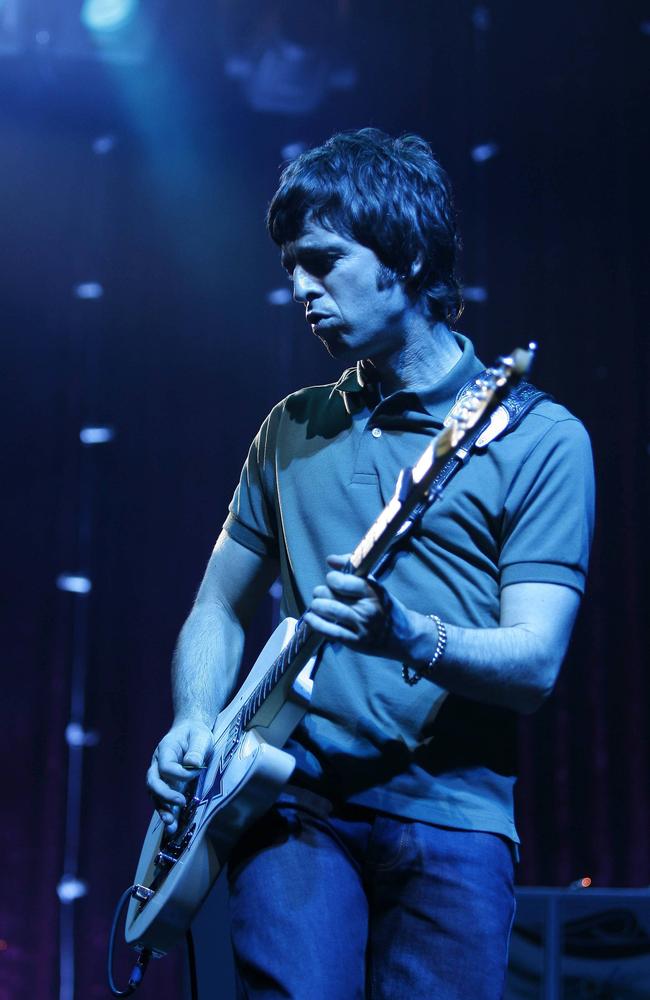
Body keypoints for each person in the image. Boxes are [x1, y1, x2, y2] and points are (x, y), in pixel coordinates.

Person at [147, 129, 594, 999]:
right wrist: (193, 718)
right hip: (291, 805)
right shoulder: (290, 426)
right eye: (289, 268)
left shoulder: (541, 437)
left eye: (323, 260)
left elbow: (535, 662)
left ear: (410, 253)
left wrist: (403, 633)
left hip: (455, 825)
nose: (300, 290)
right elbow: (216, 607)